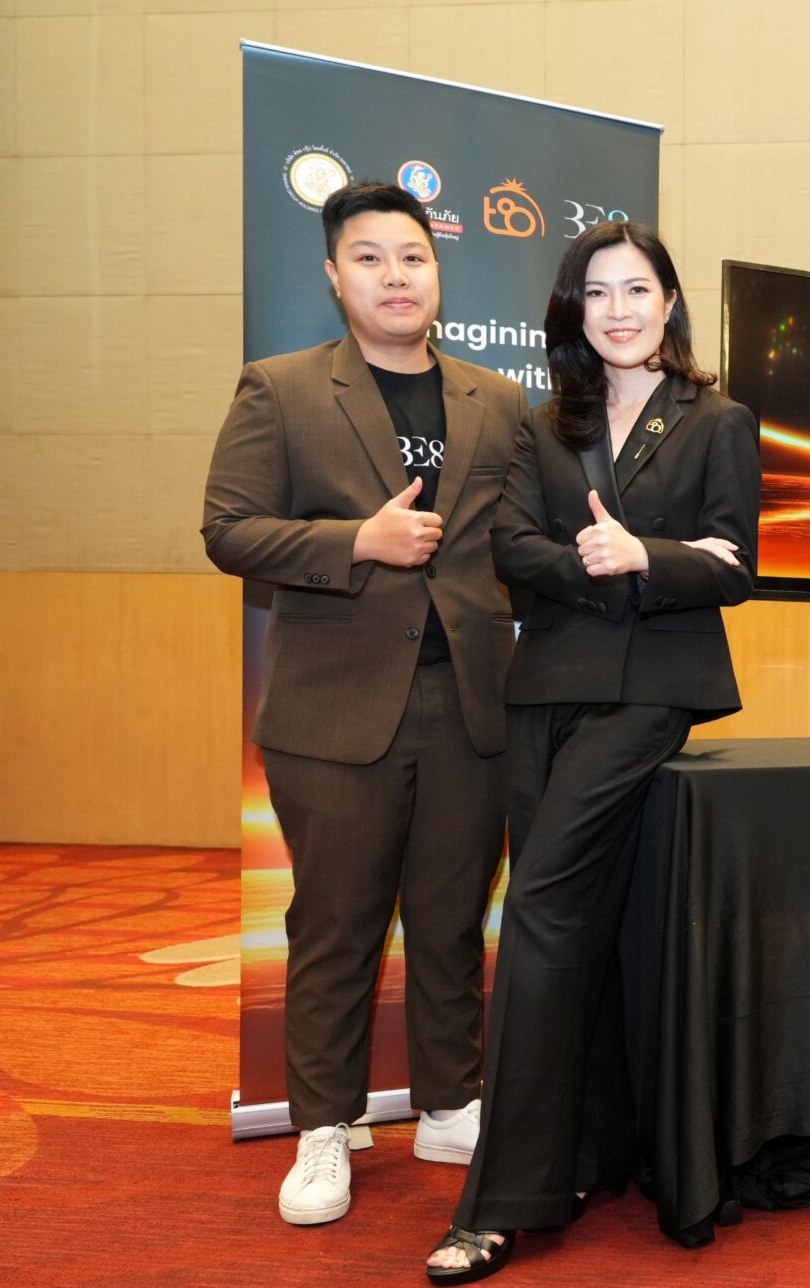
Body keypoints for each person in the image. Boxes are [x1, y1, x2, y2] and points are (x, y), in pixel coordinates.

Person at [424, 220, 760, 1285]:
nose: (618, 310)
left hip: (652, 694)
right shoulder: (542, 425)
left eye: (637, 289)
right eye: (597, 293)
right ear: (574, 311)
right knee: (585, 928)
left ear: (670, 303)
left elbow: (734, 565)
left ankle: (500, 1200)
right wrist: (613, 562)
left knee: (538, 912)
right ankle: (587, 1153)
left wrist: (642, 554)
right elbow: (509, 549)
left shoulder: (718, 421)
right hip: (546, 695)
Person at [202, 181, 527, 1224]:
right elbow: (229, 530)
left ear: (439, 273)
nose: (396, 276)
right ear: (333, 277)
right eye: (371, 258)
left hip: (472, 704)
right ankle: (324, 1127)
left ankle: (449, 1103)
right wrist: (359, 540)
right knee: (336, 925)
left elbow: (519, 544)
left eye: (413, 258)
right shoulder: (282, 389)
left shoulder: (497, 400)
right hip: (335, 714)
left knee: (451, 918)